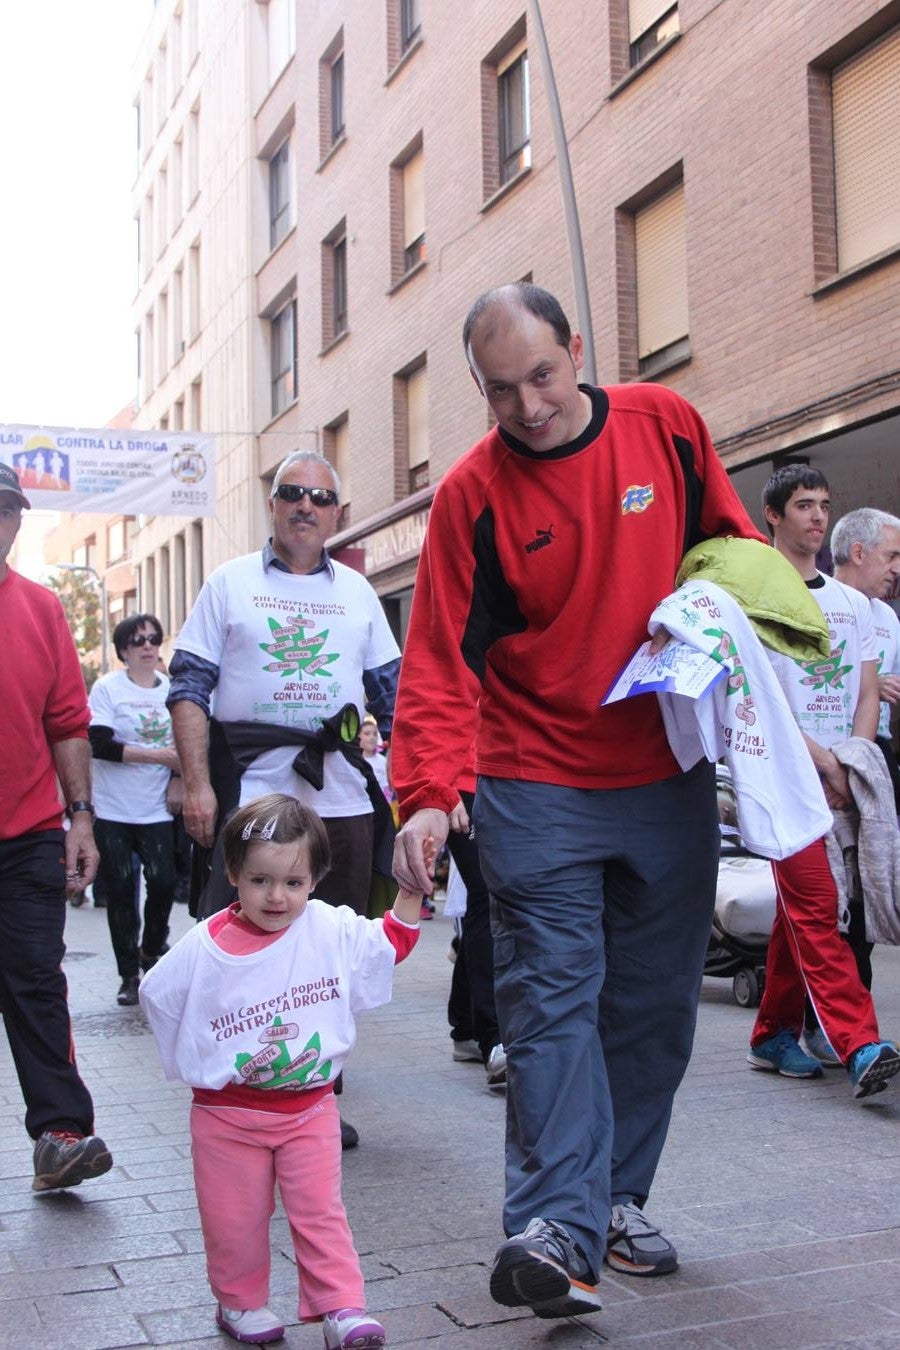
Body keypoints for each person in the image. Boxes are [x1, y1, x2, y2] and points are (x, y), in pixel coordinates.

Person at [390, 283, 762, 1319]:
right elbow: (438, 662)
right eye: (502, 391)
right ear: (480, 388)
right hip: (533, 778)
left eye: (544, 376)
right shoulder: (471, 495)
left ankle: (613, 1200)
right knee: (552, 1002)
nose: (531, 407)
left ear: (578, 350)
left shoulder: (668, 429)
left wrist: (761, 656)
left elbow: (733, 553)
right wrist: (426, 796)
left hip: (665, 771)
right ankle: (556, 1224)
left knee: (651, 1014)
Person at [168, 449, 401, 1150]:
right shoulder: (229, 583)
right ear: (272, 505)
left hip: (343, 799)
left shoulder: (359, 593)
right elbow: (188, 687)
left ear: (337, 514)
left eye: (321, 498)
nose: (306, 506)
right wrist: (199, 782)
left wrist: (419, 787)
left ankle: (315, 1095)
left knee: (332, 950)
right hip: (256, 796)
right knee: (245, 946)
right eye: (291, 493)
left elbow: (397, 695)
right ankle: (240, 1087)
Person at [139, 793, 424, 1349]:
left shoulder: (329, 929)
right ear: (233, 876)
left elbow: (388, 944)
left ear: (315, 878)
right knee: (234, 1219)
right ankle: (239, 1302)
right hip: (227, 1116)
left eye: (293, 883)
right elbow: (160, 995)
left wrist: (411, 891)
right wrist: (200, 1059)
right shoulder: (206, 946)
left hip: (310, 1108)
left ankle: (341, 1305)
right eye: (260, 881)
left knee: (321, 1211)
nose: (277, 896)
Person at [746, 466, 900, 1096]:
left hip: (844, 774)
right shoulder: (756, 601)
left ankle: (771, 1034)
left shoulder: (855, 605)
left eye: (824, 506)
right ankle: (861, 1044)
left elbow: (867, 690)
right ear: (774, 518)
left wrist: (853, 761)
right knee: (816, 905)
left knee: (798, 912)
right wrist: (825, 763)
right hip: (789, 777)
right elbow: (764, 701)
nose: (817, 517)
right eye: (803, 505)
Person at [0, 461, 113, 1191]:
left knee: (37, 981)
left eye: (5, 510)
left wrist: (81, 818)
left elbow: (68, 722)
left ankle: (60, 1135)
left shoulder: (40, 609)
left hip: (30, 833)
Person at [88, 613, 180, 1006]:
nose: (146, 646)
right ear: (123, 650)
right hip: (113, 811)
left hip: (157, 809)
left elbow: (186, 746)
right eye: (137, 641)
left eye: (153, 640)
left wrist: (178, 779)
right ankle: (128, 974)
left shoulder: (171, 690)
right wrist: (159, 757)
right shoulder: (108, 688)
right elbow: (100, 743)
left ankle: (151, 948)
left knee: (163, 883)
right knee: (122, 891)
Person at [832, 507, 900, 811]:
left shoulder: (887, 616)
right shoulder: (816, 604)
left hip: (878, 750)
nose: (898, 568)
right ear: (858, 553)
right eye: (891, 557)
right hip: (829, 749)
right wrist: (871, 684)